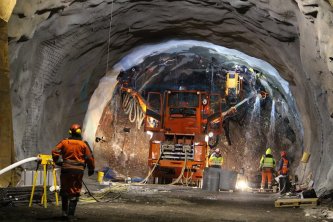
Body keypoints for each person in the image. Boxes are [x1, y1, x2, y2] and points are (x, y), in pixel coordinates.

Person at [52, 123, 95, 219]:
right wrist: (91, 168)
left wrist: (58, 161)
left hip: (66, 169)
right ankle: (71, 215)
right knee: (75, 191)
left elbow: (54, 151)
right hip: (78, 171)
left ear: (70, 132)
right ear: (80, 132)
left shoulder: (64, 142)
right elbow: (89, 158)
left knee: (64, 189)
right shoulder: (83, 144)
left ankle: (64, 213)